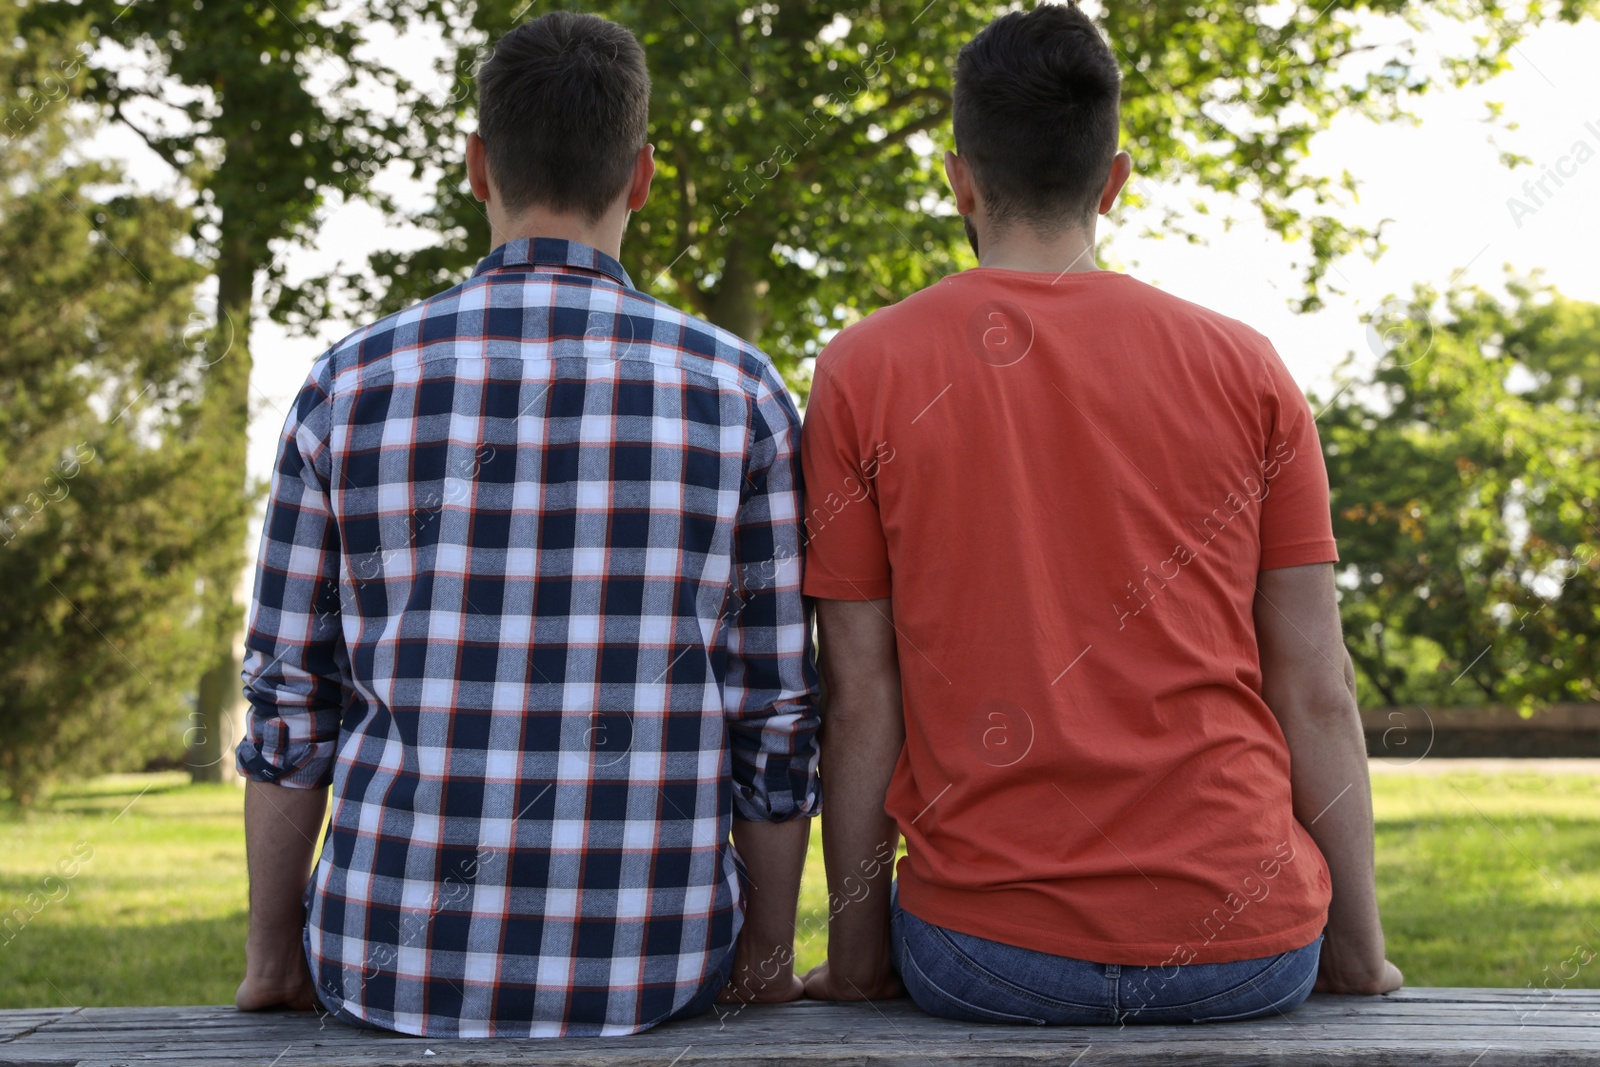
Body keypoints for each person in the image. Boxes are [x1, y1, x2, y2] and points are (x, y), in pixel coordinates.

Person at [799, 2, 1402, 1025]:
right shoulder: (1246, 367)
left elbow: (858, 691)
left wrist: (855, 961)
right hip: (1247, 949)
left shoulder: (863, 369)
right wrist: (1355, 951)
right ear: (1113, 178)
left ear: (959, 178)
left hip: (979, 951)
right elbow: (1316, 682)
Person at [231, 12, 818, 1037]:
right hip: (658, 967)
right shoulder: (742, 395)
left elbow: (287, 703)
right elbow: (775, 714)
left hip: (388, 965)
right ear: (639, 176)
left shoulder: (348, 384)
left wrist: (275, 958)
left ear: (474, 166)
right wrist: (765, 961)